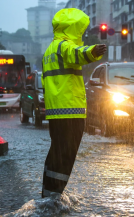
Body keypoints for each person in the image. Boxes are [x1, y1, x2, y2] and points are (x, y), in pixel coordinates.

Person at [41, 8, 107, 198]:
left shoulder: (49, 50)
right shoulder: (63, 46)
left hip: (56, 111)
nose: (82, 34)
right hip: (70, 110)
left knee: (57, 152)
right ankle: (53, 197)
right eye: (80, 30)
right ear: (72, 29)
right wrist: (92, 52)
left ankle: (48, 193)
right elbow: (77, 53)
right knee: (65, 155)